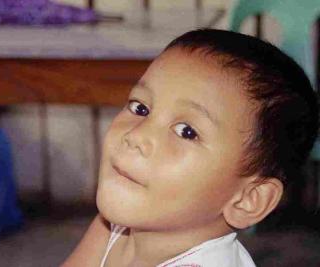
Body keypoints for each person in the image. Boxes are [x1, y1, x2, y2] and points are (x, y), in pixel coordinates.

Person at [61, 29, 319, 266]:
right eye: (141, 108)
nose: (136, 135)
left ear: (247, 199)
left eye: (186, 132)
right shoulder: (113, 226)